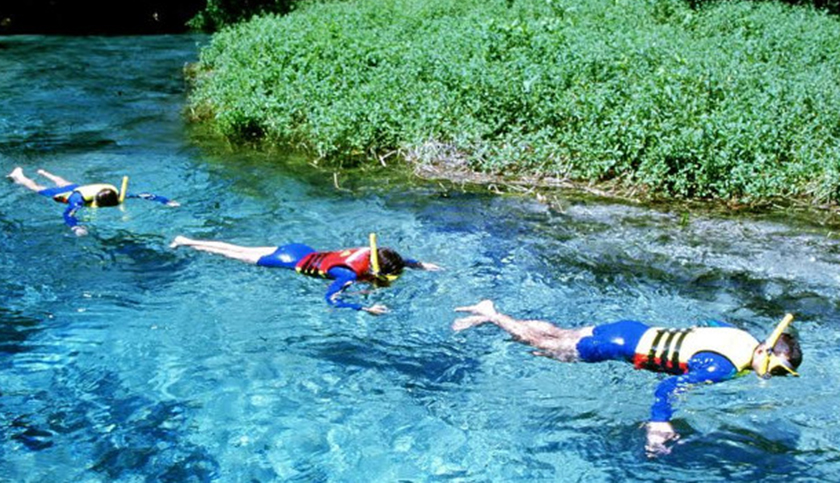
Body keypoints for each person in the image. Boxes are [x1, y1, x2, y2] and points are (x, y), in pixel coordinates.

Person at [452, 300, 802, 456]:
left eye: (782, 376)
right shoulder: (723, 367)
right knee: (545, 346)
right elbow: (668, 385)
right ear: (766, 351)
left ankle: (492, 312)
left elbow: (709, 323)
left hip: (630, 329)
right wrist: (658, 424)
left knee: (557, 334)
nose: (772, 377)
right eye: (776, 369)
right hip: (619, 348)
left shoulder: (740, 336)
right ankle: (492, 315)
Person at [170, 233, 441, 314]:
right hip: (288, 260)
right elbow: (331, 300)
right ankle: (187, 241)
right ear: (374, 270)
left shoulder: (373, 256)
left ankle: (187, 239)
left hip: (302, 248)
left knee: (239, 247)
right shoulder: (347, 275)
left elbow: (400, 260)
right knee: (234, 252)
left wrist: (420, 264)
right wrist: (362, 309)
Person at [7, 167, 180, 236]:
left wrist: (166, 201)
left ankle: (45, 172)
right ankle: (19, 175)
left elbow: (144, 195)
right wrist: (76, 226)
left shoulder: (116, 195)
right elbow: (68, 213)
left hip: (80, 186)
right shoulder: (77, 200)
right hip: (69, 193)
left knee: (65, 182)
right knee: (37, 188)